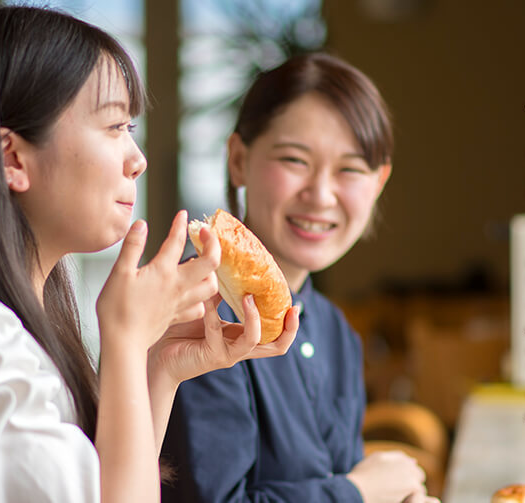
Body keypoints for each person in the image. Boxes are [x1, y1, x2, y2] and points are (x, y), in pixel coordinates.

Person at [0, 6, 299, 502]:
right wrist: (127, 340)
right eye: (114, 126)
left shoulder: (26, 325)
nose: (138, 159)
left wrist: (159, 366)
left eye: (130, 129)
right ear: (12, 158)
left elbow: (107, 486)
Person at [161, 53, 437, 503]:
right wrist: (358, 492)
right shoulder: (197, 313)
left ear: (379, 182)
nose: (321, 194)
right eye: (294, 160)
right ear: (238, 160)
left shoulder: (336, 331)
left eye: (349, 169)